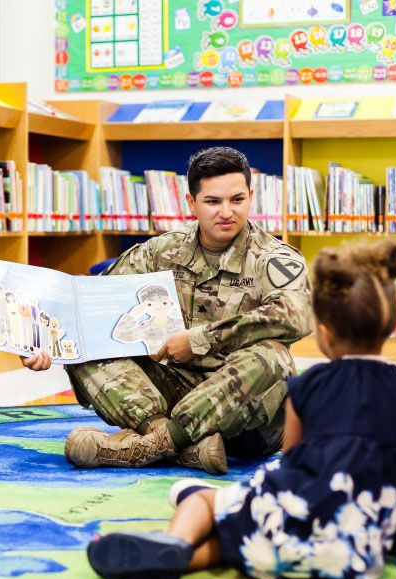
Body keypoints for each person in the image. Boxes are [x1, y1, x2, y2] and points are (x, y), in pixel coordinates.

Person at [86, 241, 396, 579]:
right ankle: (181, 555)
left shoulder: (310, 385)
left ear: (325, 333)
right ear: (391, 327)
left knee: (200, 499)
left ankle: (178, 547)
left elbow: (291, 461)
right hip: (354, 555)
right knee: (258, 527)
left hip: (278, 534)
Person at [23, 147, 313, 474]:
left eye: (237, 199)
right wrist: (44, 344)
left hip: (245, 418)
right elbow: (90, 304)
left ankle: (149, 446)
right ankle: (184, 447)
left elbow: (295, 315)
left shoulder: (273, 257)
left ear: (251, 197)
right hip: (171, 393)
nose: (227, 212)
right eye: (213, 202)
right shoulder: (162, 251)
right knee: (89, 349)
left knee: (272, 355)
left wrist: (200, 340)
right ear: (191, 203)